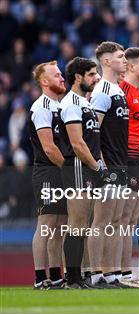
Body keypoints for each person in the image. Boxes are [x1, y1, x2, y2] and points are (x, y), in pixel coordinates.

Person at [59, 57, 107, 288]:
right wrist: (97, 167)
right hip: (79, 166)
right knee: (77, 222)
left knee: (84, 223)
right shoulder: (71, 103)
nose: (96, 77)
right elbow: (77, 143)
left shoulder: (84, 102)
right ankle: (73, 278)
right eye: (91, 74)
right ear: (77, 77)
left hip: (88, 166)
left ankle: (81, 276)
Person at [88, 41, 129, 288]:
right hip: (108, 165)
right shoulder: (102, 90)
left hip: (121, 164)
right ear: (106, 61)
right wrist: (101, 166)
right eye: (120, 56)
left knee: (115, 222)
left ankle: (112, 274)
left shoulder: (118, 90)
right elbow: (94, 131)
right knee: (101, 222)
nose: (124, 60)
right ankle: (95, 274)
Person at [28, 61, 68, 290]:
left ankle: (56, 275)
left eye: (61, 74)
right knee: (46, 223)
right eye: (56, 75)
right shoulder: (41, 107)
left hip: (59, 171)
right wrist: (70, 170)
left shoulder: (60, 106)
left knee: (60, 225)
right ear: (44, 81)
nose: (61, 78)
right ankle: (39, 277)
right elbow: (49, 148)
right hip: (47, 171)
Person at [118, 46, 139, 287]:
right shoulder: (122, 92)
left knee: (131, 221)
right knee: (121, 219)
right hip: (127, 159)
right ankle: (117, 273)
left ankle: (125, 273)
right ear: (130, 66)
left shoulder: (138, 93)